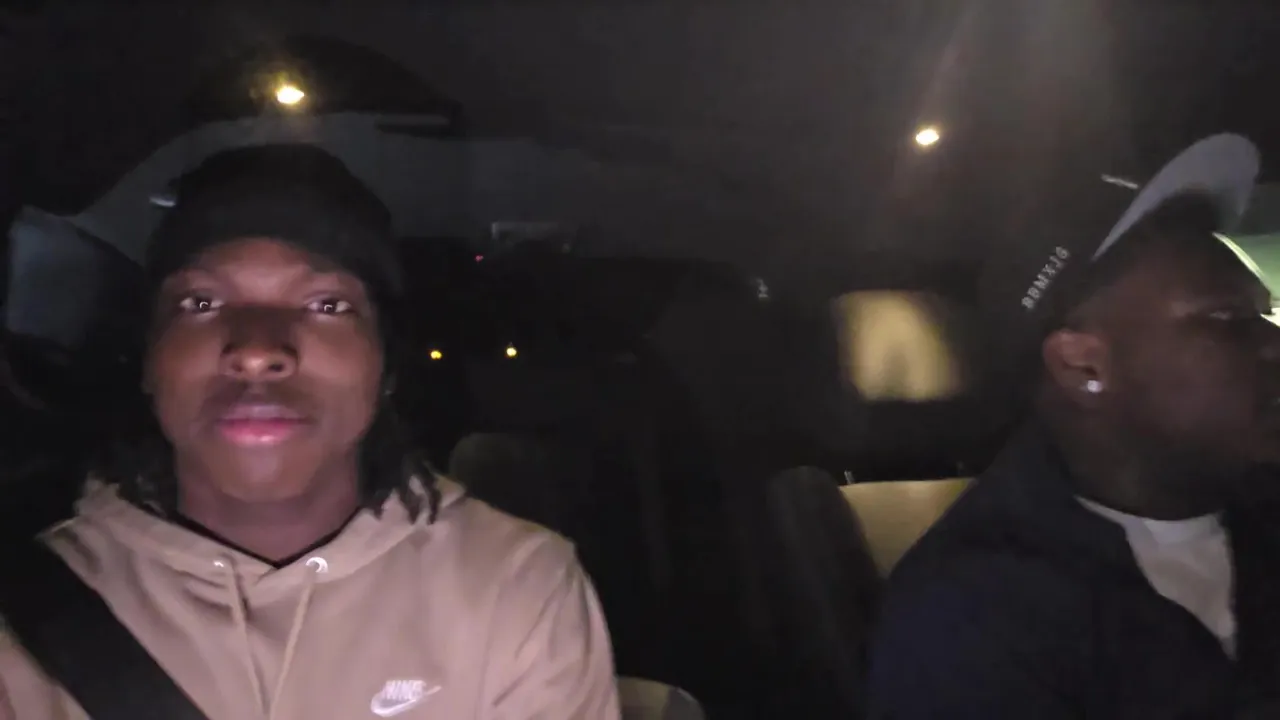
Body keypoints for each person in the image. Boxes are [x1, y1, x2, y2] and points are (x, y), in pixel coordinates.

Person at [0, 145, 622, 719]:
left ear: (385, 368)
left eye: (327, 305)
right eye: (201, 303)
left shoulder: (512, 586)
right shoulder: (26, 616)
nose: (256, 351)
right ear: (148, 362)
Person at [867, 134, 1280, 718]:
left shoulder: (1259, 510)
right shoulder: (972, 616)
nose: (1273, 341)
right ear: (1084, 367)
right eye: (1227, 318)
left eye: (1264, 312)